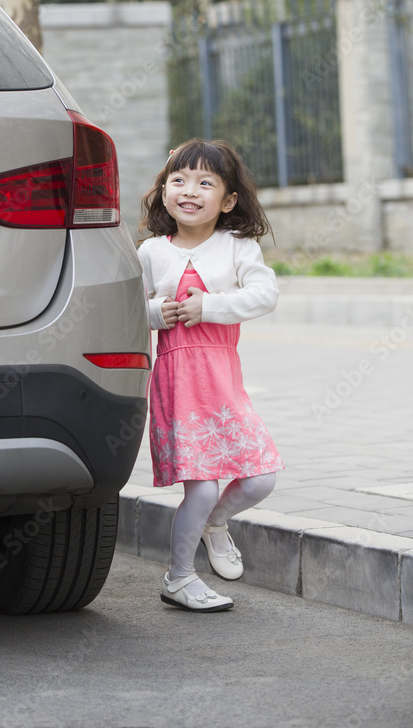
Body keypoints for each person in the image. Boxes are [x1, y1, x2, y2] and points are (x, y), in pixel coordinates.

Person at [137, 139, 283, 613]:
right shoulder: (152, 253)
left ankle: (216, 523)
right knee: (199, 487)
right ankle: (179, 578)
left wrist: (211, 306)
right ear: (164, 192)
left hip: (223, 380)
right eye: (178, 180)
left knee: (260, 478)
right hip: (178, 384)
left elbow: (264, 295)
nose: (189, 190)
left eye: (205, 182)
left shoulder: (237, 246)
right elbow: (129, 311)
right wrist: (160, 312)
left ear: (228, 200)